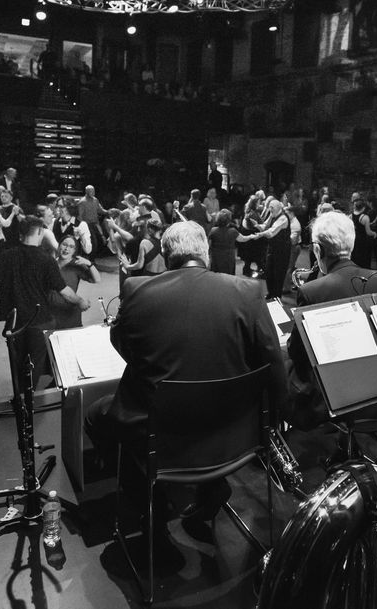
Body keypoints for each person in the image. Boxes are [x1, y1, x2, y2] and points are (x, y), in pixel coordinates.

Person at [85, 221, 287, 550]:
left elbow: (124, 346)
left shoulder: (137, 289)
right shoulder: (247, 291)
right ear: (206, 252)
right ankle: (212, 486)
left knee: (96, 416)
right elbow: (272, 359)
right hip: (233, 430)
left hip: (160, 430)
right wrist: (276, 417)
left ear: (165, 256)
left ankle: (150, 503)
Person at [286, 211, 377, 429]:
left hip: (334, 392)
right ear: (351, 245)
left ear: (317, 250)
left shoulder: (311, 291)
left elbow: (298, 353)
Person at [0, 217, 90, 386]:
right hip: (38, 319)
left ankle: (20, 396)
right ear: (40, 232)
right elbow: (65, 292)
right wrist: (81, 301)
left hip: (14, 320)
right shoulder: (46, 259)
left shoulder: (6, 255)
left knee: (18, 360)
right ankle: (30, 395)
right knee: (36, 362)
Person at [49, 235, 99, 330]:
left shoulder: (76, 265)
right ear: (59, 245)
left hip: (69, 313)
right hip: (51, 312)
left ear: (74, 251)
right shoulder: (50, 263)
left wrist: (89, 264)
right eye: (64, 245)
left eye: (71, 247)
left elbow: (96, 279)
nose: (66, 249)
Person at [208, 209, 238, 275]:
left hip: (216, 258)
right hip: (228, 259)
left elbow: (208, 245)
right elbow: (243, 239)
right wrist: (252, 236)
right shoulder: (233, 231)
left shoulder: (213, 230)